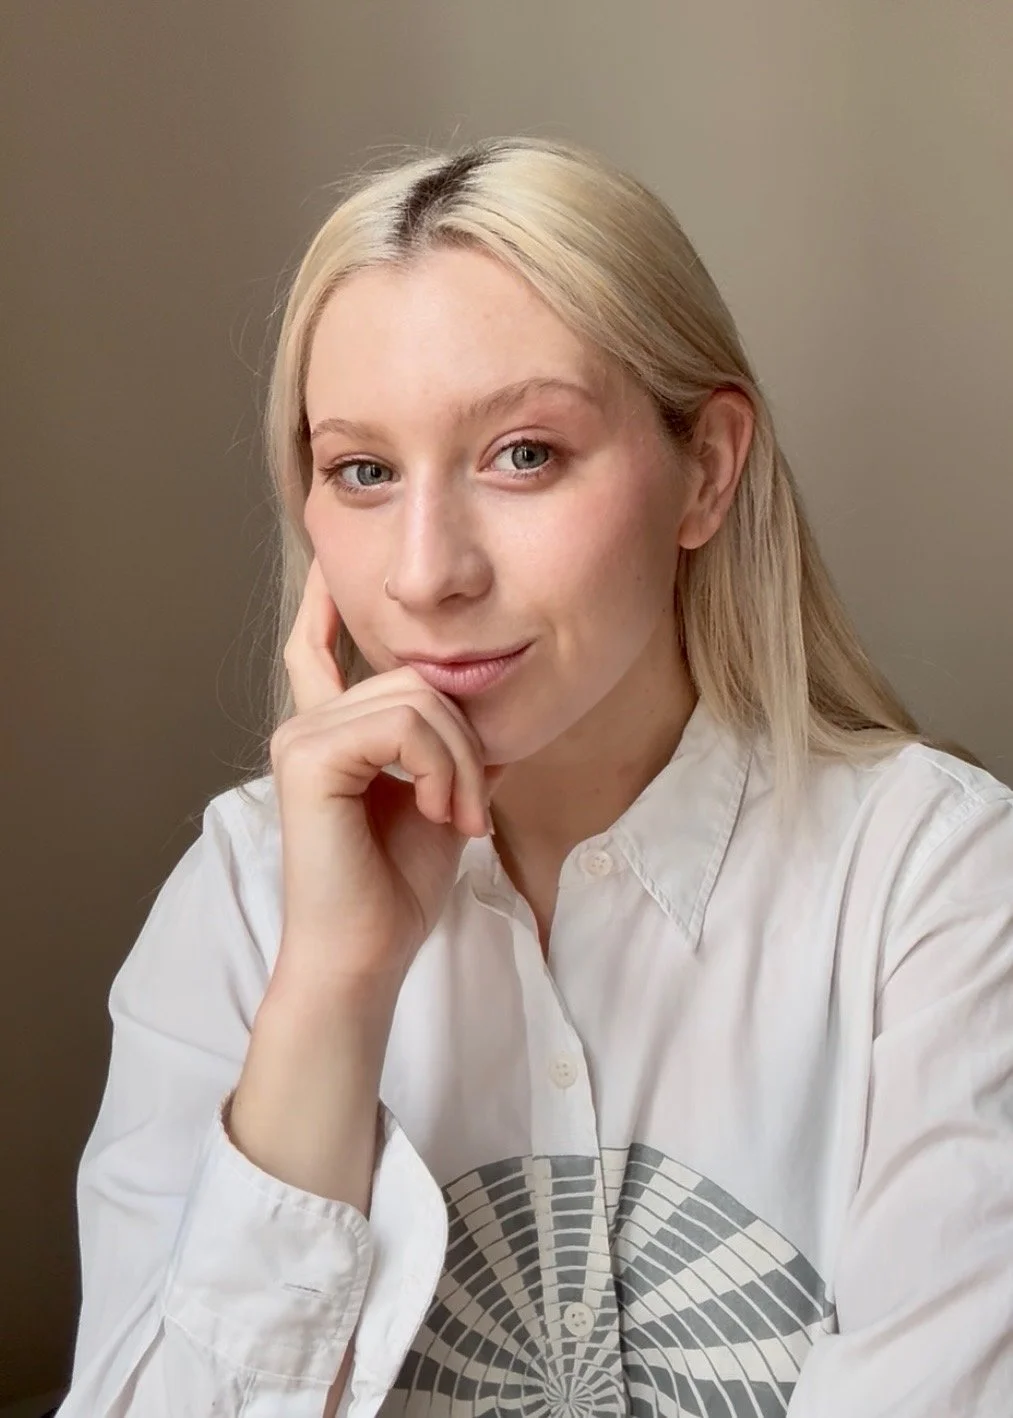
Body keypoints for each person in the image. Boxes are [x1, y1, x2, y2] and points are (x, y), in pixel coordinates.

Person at [56, 137, 1012, 1418]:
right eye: (361, 471)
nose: (425, 573)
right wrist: (331, 988)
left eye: (522, 453)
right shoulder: (241, 893)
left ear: (706, 468)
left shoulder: (937, 884)